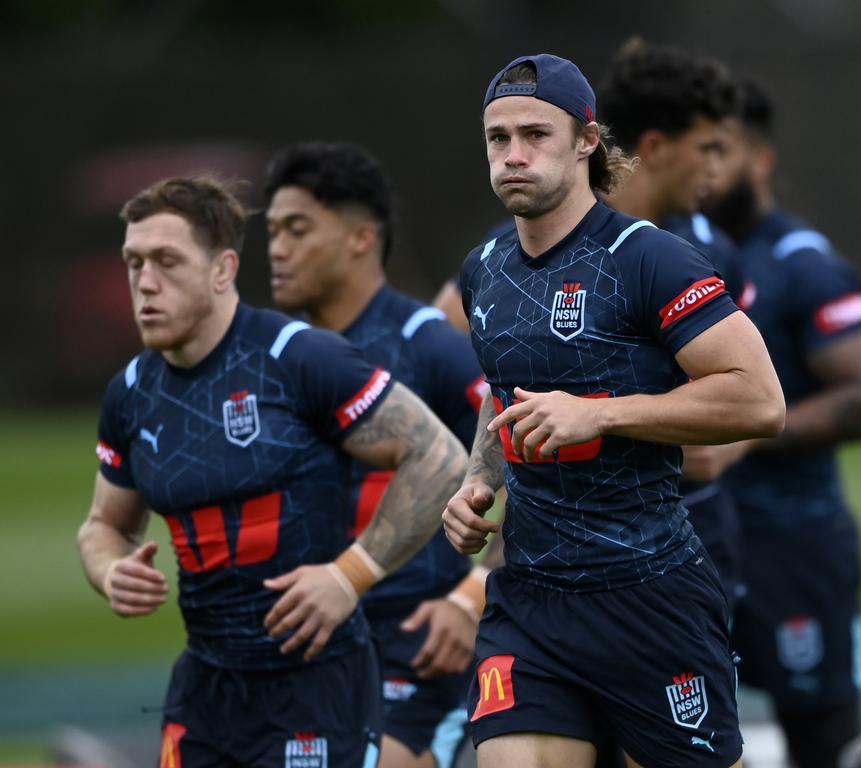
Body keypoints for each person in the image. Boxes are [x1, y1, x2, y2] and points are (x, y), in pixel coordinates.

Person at [442, 53, 786, 768]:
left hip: (649, 598)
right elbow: (502, 394)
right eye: (497, 139)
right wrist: (478, 483)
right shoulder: (484, 270)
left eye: (536, 134)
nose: (513, 155)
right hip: (529, 601)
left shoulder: (648, 258)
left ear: (587, 142)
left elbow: (760, 399)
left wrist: (600, 414)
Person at [77, 176, 468, 768]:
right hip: (205, 690)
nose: (144, 282)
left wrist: (349, 576)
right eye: (134, 262)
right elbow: (104, 524)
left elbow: (439, 458)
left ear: (222, 269)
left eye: (166, 261)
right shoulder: (131, 394)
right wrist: (110, 570)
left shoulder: (298, 357)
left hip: (315, 686)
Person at [695, 80, 861, 768]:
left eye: (719, 150)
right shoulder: (672, 251)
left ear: (760, 159)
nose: (705, 166)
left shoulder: (802, 264)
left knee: (826, 743)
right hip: (698, 540)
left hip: (796, 544)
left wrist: (746, 428)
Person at [263, 140, 492, 768]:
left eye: (297, 228)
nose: (276, 248)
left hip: (414, 645)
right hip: (305, 638)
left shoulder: (429, 346)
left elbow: (530, 467)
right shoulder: (277, 353)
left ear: (361, 239)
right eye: (273, 230)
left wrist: (471, 596)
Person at [598, 37, 745, 606]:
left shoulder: (712, 250)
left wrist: (728, 447)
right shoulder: (545, 238)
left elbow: (754, 390)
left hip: (694, 531)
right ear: (655, 147)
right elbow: (452, 336)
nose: (717, 169)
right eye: (706, 149)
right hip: (566, 542)